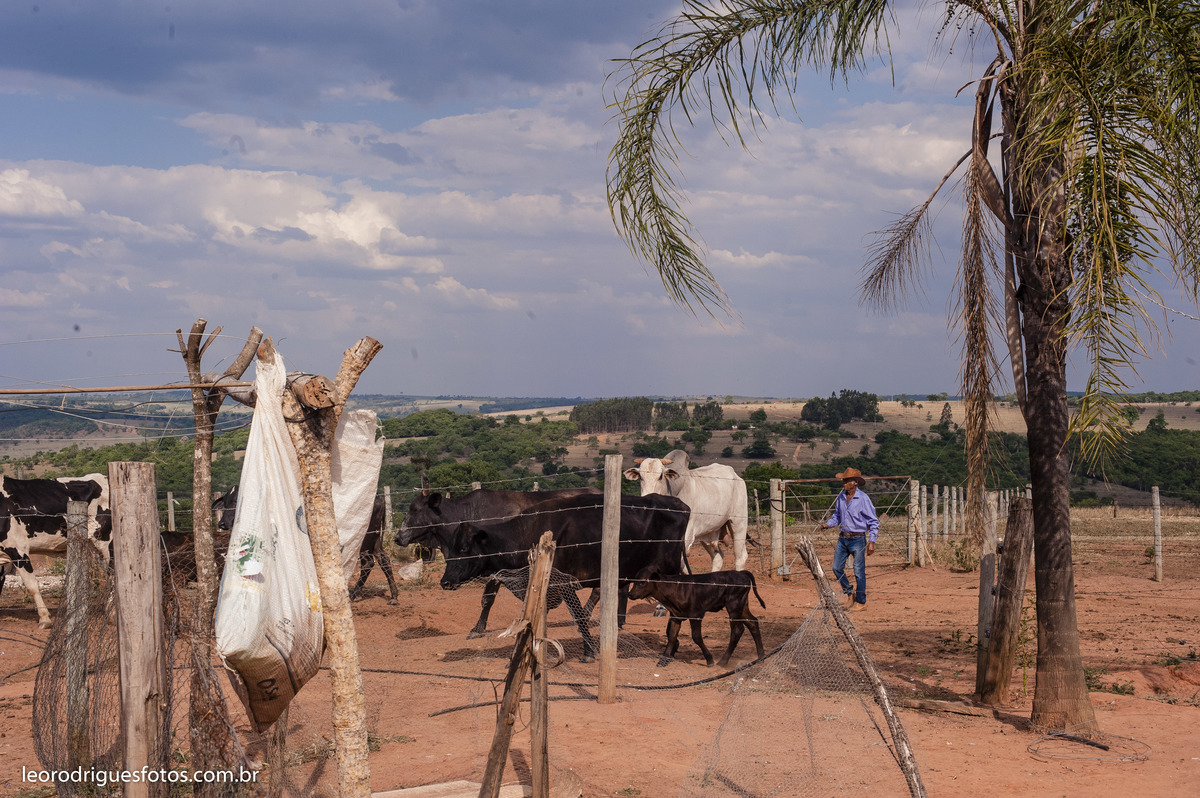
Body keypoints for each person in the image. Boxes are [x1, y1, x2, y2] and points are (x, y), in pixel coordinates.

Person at [824, 467, 878, 611]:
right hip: (843, 538)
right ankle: (849, 593)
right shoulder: (841, 497)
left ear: (854, 483)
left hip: (858, 538)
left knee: (859, 571)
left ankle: (861, 602)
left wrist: (872, 541)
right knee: (836, 567)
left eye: (847, 481)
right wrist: (828, 524)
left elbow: (873, 521)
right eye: (844, 481)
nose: (844, 484)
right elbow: (837, 516)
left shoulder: (863, 499)